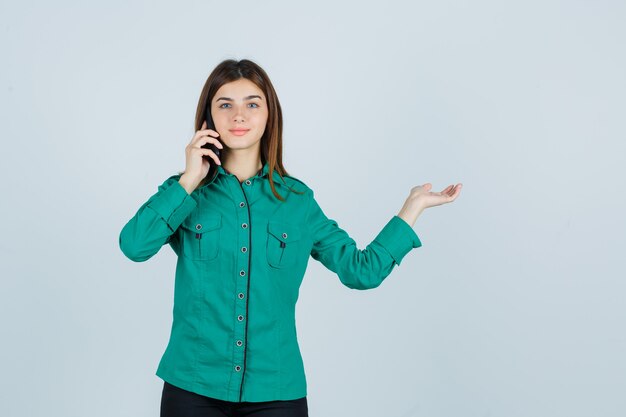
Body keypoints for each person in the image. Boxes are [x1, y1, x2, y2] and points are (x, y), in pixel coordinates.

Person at [119, 58, 462, 417]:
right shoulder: (185, 193)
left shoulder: (297, 202)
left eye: (252, 104)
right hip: (192, 388)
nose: (239, 116)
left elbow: (362, 270)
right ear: (208, 118)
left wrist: (413, 206)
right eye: (225, 104)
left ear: (270, 116)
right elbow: (133, 246)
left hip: (277, 393)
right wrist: (189, 180)